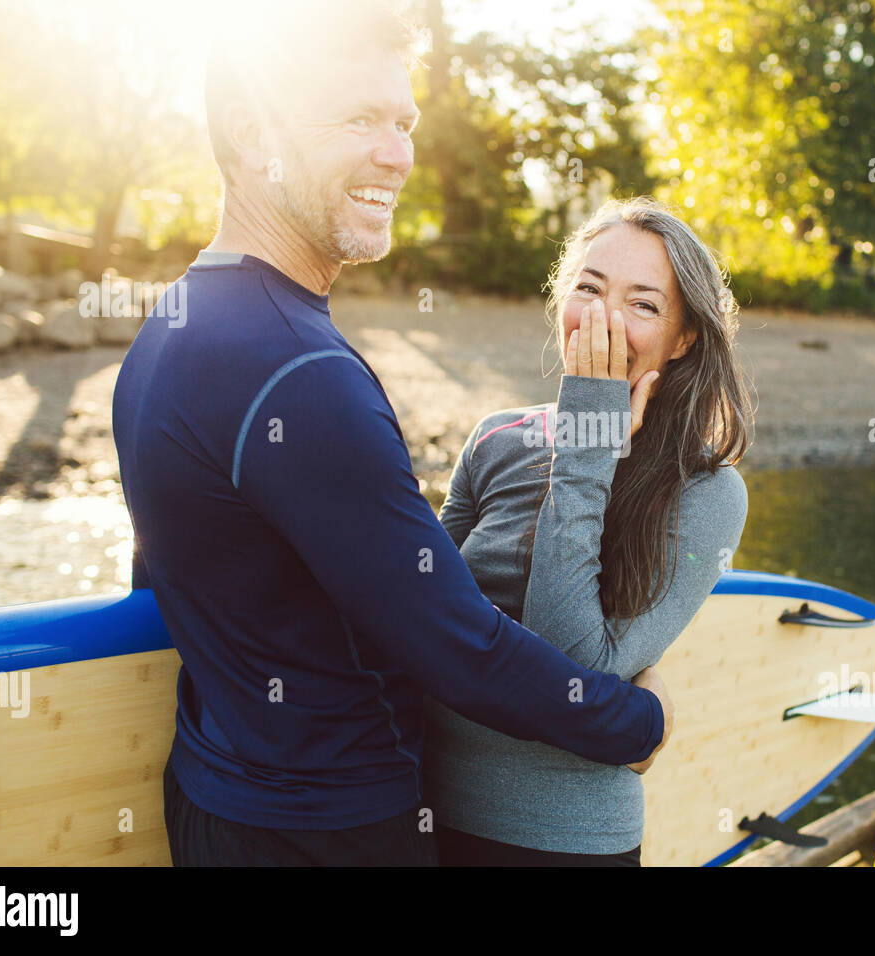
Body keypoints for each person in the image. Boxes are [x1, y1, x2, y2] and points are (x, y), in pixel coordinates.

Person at [111, 1, 673, 867]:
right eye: (359, 120)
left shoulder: (173, 326)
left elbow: (179, 565)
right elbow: (459, 648)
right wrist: (637, 722)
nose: (398, 154)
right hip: (332, 832)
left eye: (405, 122)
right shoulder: (301, 374)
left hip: (212, 800)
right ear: (246, 127)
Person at [425, 197, 752, 866]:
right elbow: (418, 620)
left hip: (562, 846)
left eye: (644, 305)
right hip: (420, 816)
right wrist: (648, 707)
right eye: (589, 289)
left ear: (684, 337)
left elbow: (571, 681)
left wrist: (587, 446)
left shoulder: (709, 491)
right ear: (560, 303)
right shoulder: (496, 437)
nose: (604, 319)